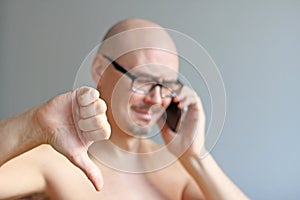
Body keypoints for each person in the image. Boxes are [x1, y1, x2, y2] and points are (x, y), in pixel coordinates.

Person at [0, 18, 248, 199]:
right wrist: (32, 123)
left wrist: (196, 156)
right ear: (100, 70)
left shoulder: (178, 169)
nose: (157, 99)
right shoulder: (52, 161)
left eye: (168, 86)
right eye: (144, 82)